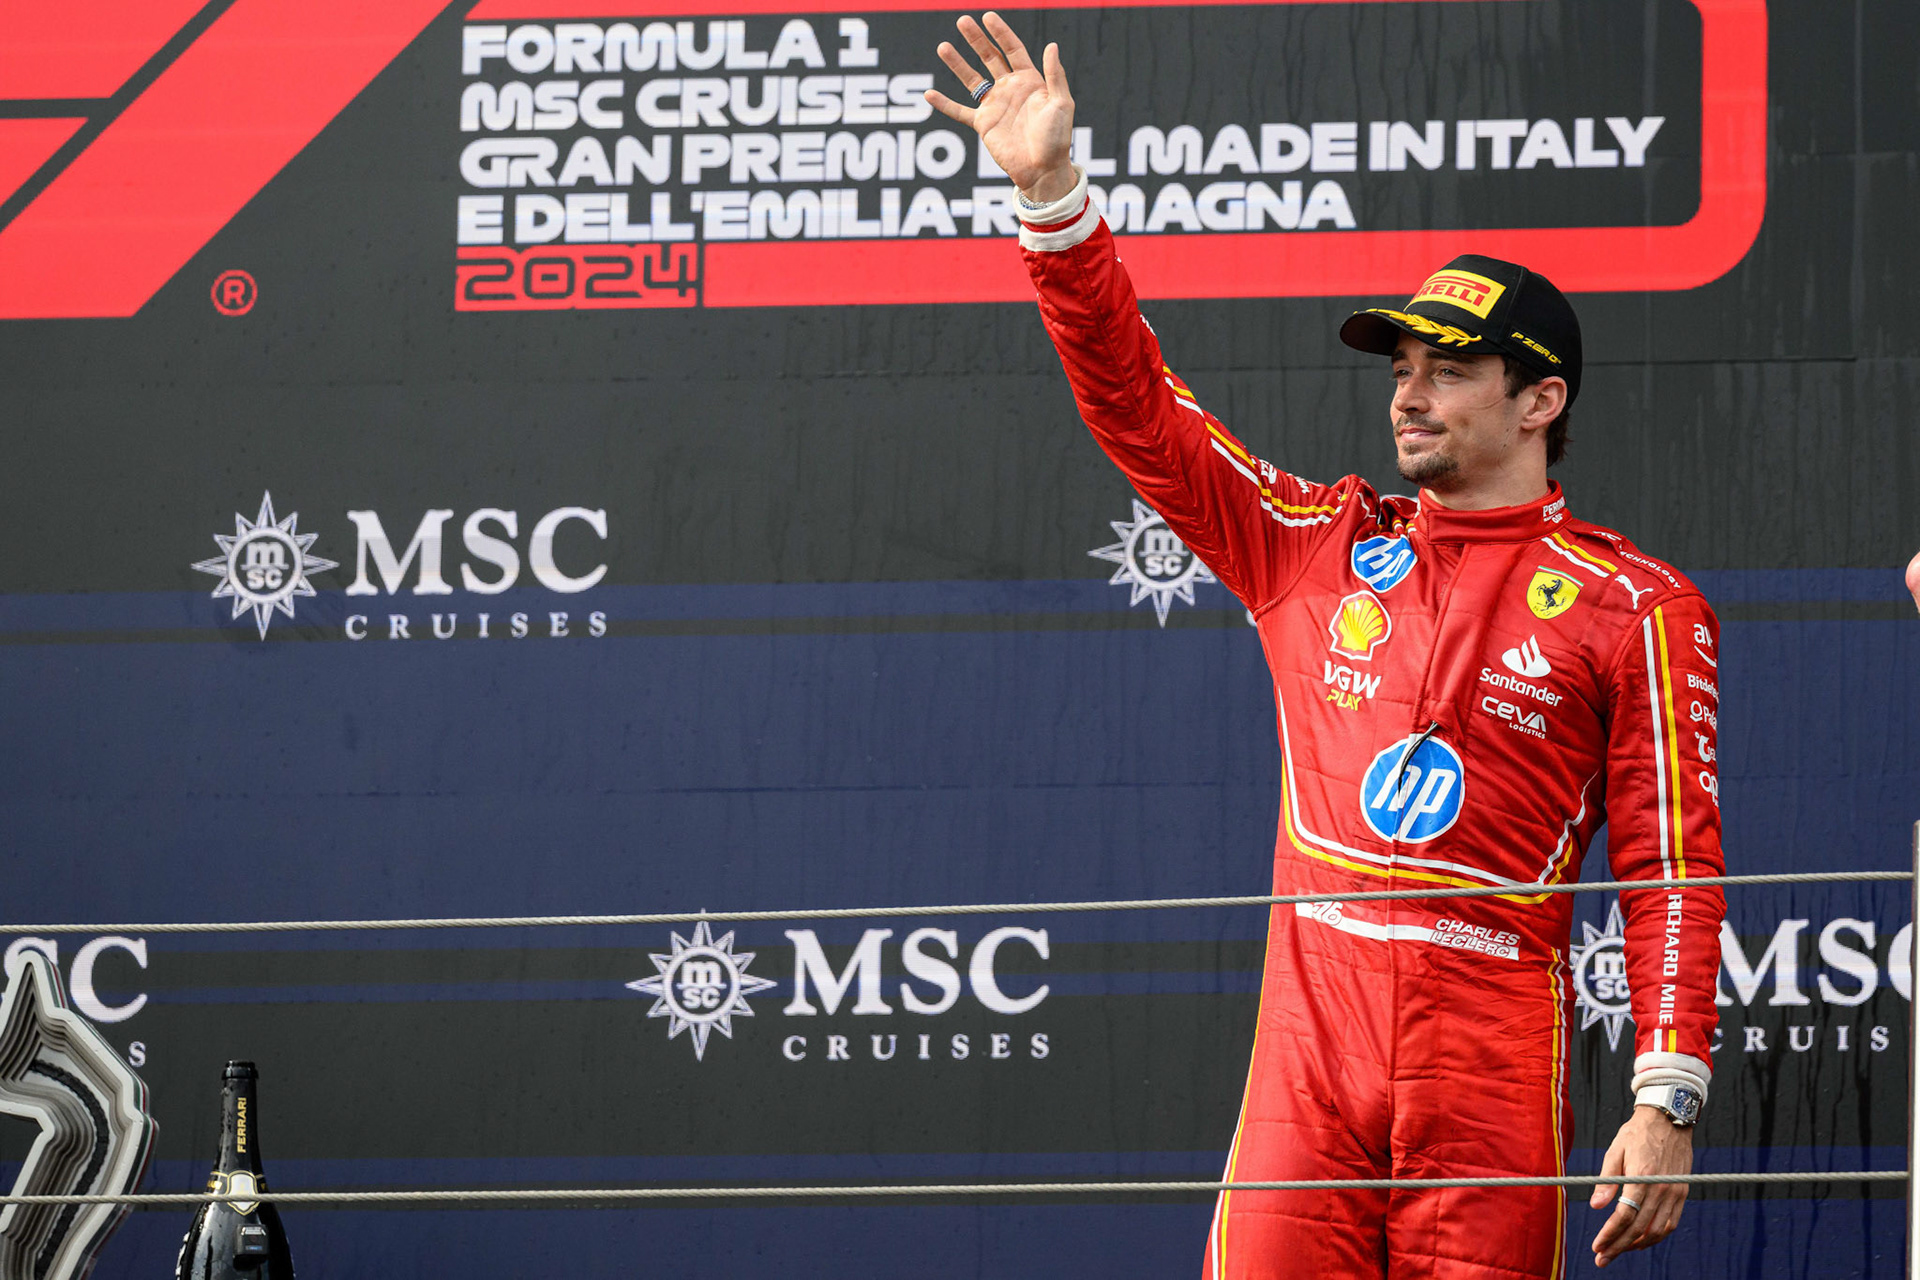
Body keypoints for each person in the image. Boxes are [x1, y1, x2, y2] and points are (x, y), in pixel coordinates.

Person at [928, 16, 1726, 1277]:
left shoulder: (1639, 602)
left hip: (1494, 1088)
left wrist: (1666, 1094)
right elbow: (1139, 406)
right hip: (1310, 1079)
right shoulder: (1315, 541)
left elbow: (1672, 866)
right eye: (1401, 365)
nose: (1407, 392)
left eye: (1448, 368)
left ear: (1540, 399)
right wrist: (1052, 197)